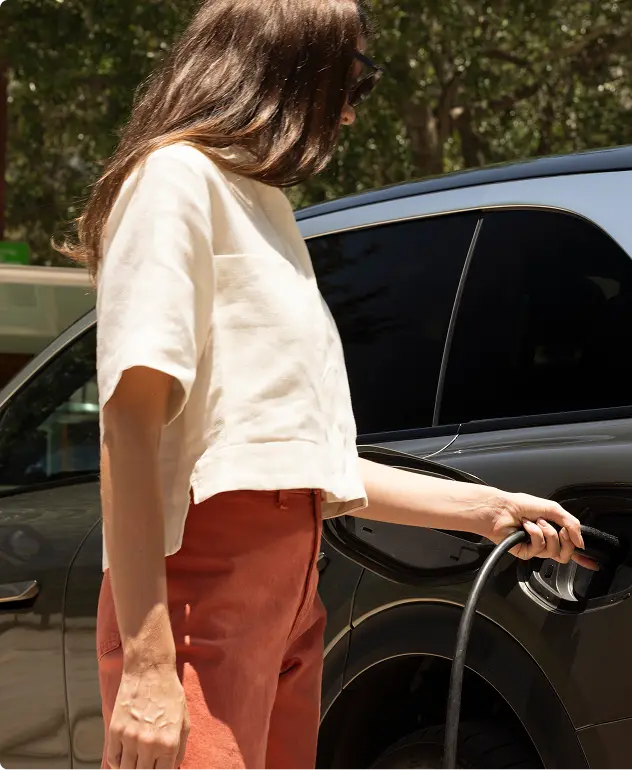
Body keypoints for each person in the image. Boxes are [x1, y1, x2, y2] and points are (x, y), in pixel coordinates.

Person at [55, 2, 594, 768]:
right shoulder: (175, 180)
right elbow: (129, 426)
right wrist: (147, 664)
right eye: (354, 81)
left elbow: (296, 464)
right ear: (286, 69)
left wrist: (488, 509)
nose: (347, 111)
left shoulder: (265, 208)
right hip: (197, 595)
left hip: (288, 599)